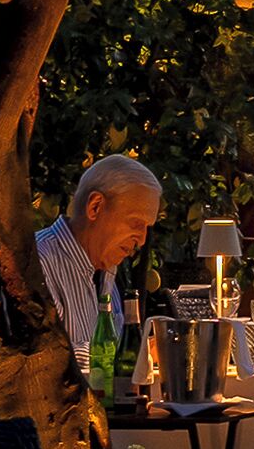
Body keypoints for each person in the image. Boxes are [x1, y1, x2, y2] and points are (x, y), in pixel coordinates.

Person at [35, 155, 160, 383]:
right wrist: (132, 355)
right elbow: (43, 359)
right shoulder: (39, 262)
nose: (142, 240)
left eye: (147, 228)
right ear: (95, 207)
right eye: (136, 223)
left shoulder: (106, 272)